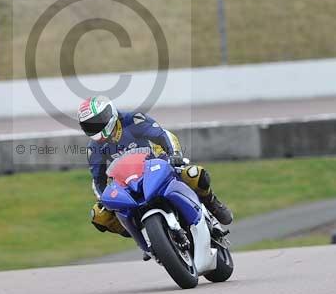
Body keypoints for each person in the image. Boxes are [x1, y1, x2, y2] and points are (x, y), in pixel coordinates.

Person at [78, 95, 234, 237]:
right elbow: (98, 181)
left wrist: (175, 155)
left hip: (160, 167)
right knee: (99, 215)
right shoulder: (94, 149)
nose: (95, 126)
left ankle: (212, 203)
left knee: (194, 174)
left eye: (98, 121)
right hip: (130, 186)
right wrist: (104, 198)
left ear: (109, 113)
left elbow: (163, 135)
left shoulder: (133, 120)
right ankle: (141, 235)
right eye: (89, 125)